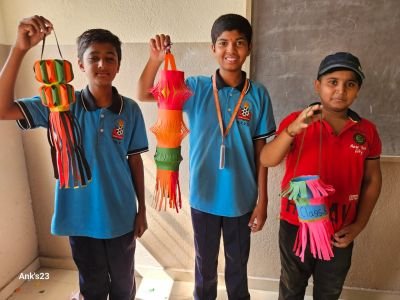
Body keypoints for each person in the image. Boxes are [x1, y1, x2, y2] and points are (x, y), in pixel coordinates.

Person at [0, 15, 148, 300]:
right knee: (91, 286)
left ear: (118, 66)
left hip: (120, 217)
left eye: (110, 58)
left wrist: (142, 211)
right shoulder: (59, 105)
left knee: (123, 286)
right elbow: (3, 109)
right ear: (80, 64)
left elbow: (135, 162)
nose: (102, 64)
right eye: (94, 58)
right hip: (79, 217)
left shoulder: (129, 110)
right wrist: (19, 49)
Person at [137, 13, 276, 300]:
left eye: (239, 43)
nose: (231, 50)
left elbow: (262, 153)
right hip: (204, 195)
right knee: (205, 265)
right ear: (212, 49)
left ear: (249, 48)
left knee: (238, 265)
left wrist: (263, 201)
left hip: (241, 198)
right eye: (223, 43)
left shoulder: (258, 95)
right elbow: (144, 93)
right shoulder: (197, 88)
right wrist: (155, 60)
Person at [260, 52, 382, 299]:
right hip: (296, 224)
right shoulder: (297, 120)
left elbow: (372, 180)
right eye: (332, 82)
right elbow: (267, 159)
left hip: (341, 229)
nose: (340, 90)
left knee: (329, 290)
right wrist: (292, 131)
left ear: (358, 90)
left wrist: (359, 225)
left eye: (350, 84)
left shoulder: (366, 131)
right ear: (317, 86)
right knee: (292, 286)